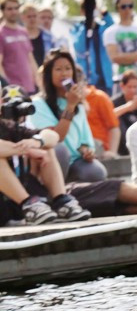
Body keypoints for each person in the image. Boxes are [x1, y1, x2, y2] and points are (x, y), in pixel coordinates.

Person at [0, 85, 90, 224]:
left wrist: (38, 142)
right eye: (9, 105)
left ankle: (61, 201)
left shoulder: (14, 129)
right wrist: (26, 150)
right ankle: (29, 204)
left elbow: (52, 136)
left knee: (47, 147)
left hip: (18, 202)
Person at [28, 50, 108, 183]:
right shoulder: (38, 104)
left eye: (68, 68)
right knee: (60, 151)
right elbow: (56, 138)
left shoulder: (79, 103)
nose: (64, 73)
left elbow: (84, 140)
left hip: (75, 160)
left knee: (96, 172)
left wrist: (87, 151)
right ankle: (54, 194)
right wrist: (70, 106)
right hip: (53, 158)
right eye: (58, 69)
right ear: (49, 74)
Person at [102, 0, 137, 85]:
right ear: (117, 8)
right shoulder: (110, 32)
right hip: (120, 79)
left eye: (130, 6)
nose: (127, 9)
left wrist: (124, 57)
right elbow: (114, 57)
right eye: (123, 6)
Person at [70, 0, 113, 92]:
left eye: (92, 8)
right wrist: (87, 26)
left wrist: (105, 14)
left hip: (105, 78)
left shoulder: (102, 26)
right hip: (87, 80)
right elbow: (79, 47)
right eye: (87, 9)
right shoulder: (77, 28)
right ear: (82, 11)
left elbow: (113, 31)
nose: (90, 11)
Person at [0, 0, 38, 94]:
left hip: (30, 88)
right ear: (3, 11)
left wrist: (40, 82)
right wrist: (7, 87)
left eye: (16, 8)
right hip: (13, 91)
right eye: (9, 9)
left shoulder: (23, 31)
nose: (13, 12)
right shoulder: (1, 33)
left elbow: (31, 59)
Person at [111, 70, 137, 153]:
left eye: (135, 87)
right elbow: (109, 116)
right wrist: (128, 107)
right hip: (122, 142)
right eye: (129, 87)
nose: (132, 90)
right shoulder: (115, 102)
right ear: (122, 86)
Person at [20, 3, 54, 68]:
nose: (32, 19)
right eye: (29, 16)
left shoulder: (48, 36)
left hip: (44, 72)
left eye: (34, 16)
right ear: (23, 17)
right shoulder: (18, 36)